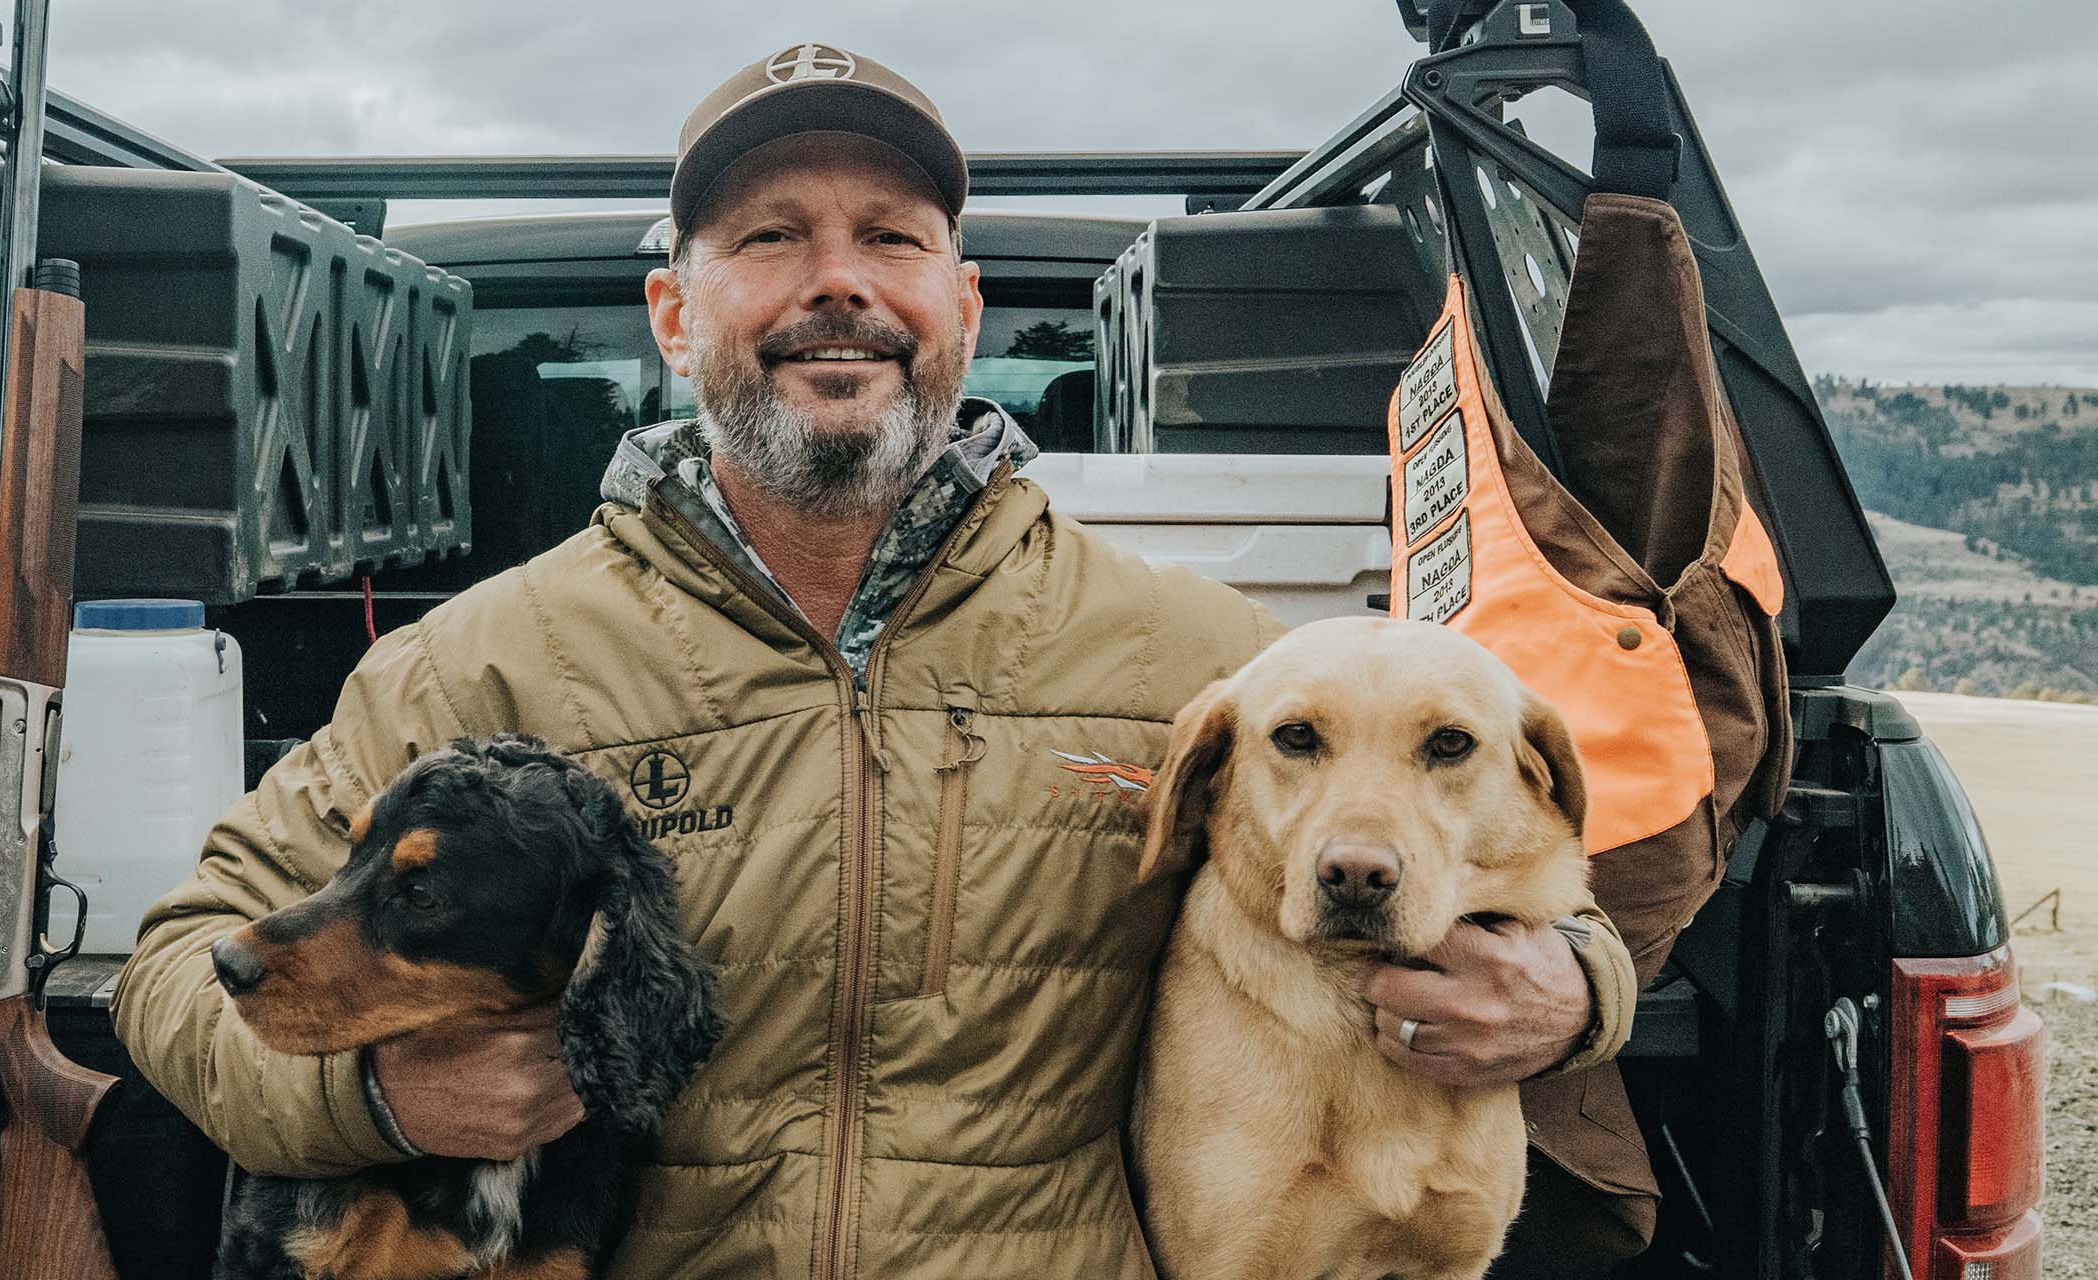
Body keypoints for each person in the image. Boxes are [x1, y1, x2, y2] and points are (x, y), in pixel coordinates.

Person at [112, 43, 1635, 1278]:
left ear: (961, 308)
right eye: (771, 238)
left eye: (892, 240)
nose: (836, 283)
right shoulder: (487, 668)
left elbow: (1499, 847)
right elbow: (181, 965)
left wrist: (1574, 989)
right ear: (674, 314)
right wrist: (377, 1096)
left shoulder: (1209, 664)